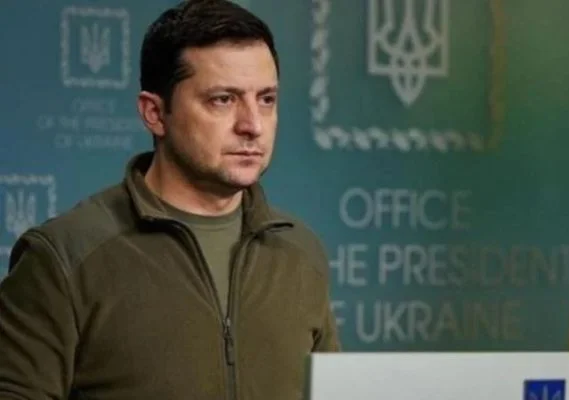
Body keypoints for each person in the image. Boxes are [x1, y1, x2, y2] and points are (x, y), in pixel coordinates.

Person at [0, 0, 340, 399]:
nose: (252, 125)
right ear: (155, 113)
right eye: (223, 99)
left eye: (266, 99)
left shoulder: (300, 252)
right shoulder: (64, 257)